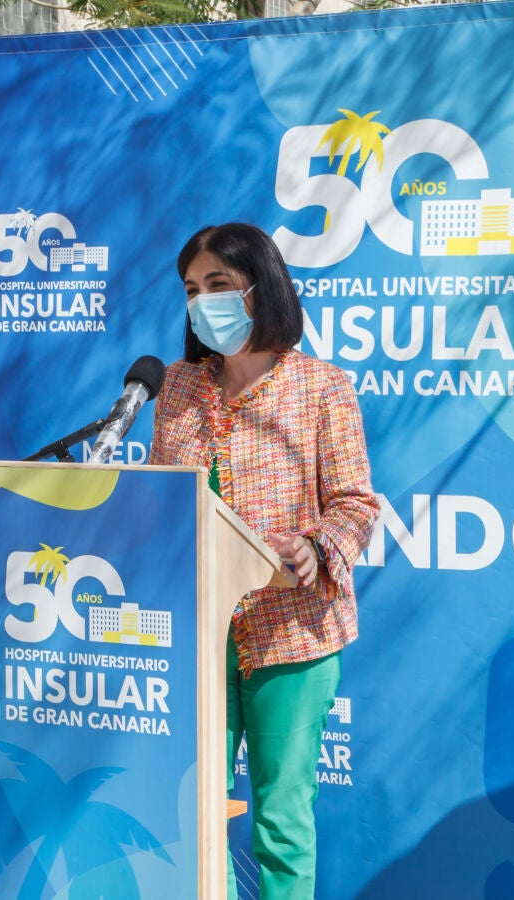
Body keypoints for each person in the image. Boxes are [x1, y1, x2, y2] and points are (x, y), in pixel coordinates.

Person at [149, 223, 379, 898]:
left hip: (292, 631)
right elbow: (160, 500)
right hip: (199, 635)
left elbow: (356, 504)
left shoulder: (321, 387)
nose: (203, 302)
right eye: (192, 290)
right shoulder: (177, 388)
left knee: (280, 821)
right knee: (195, 810)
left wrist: (317, 547)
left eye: (218, 284)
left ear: (260, 288)